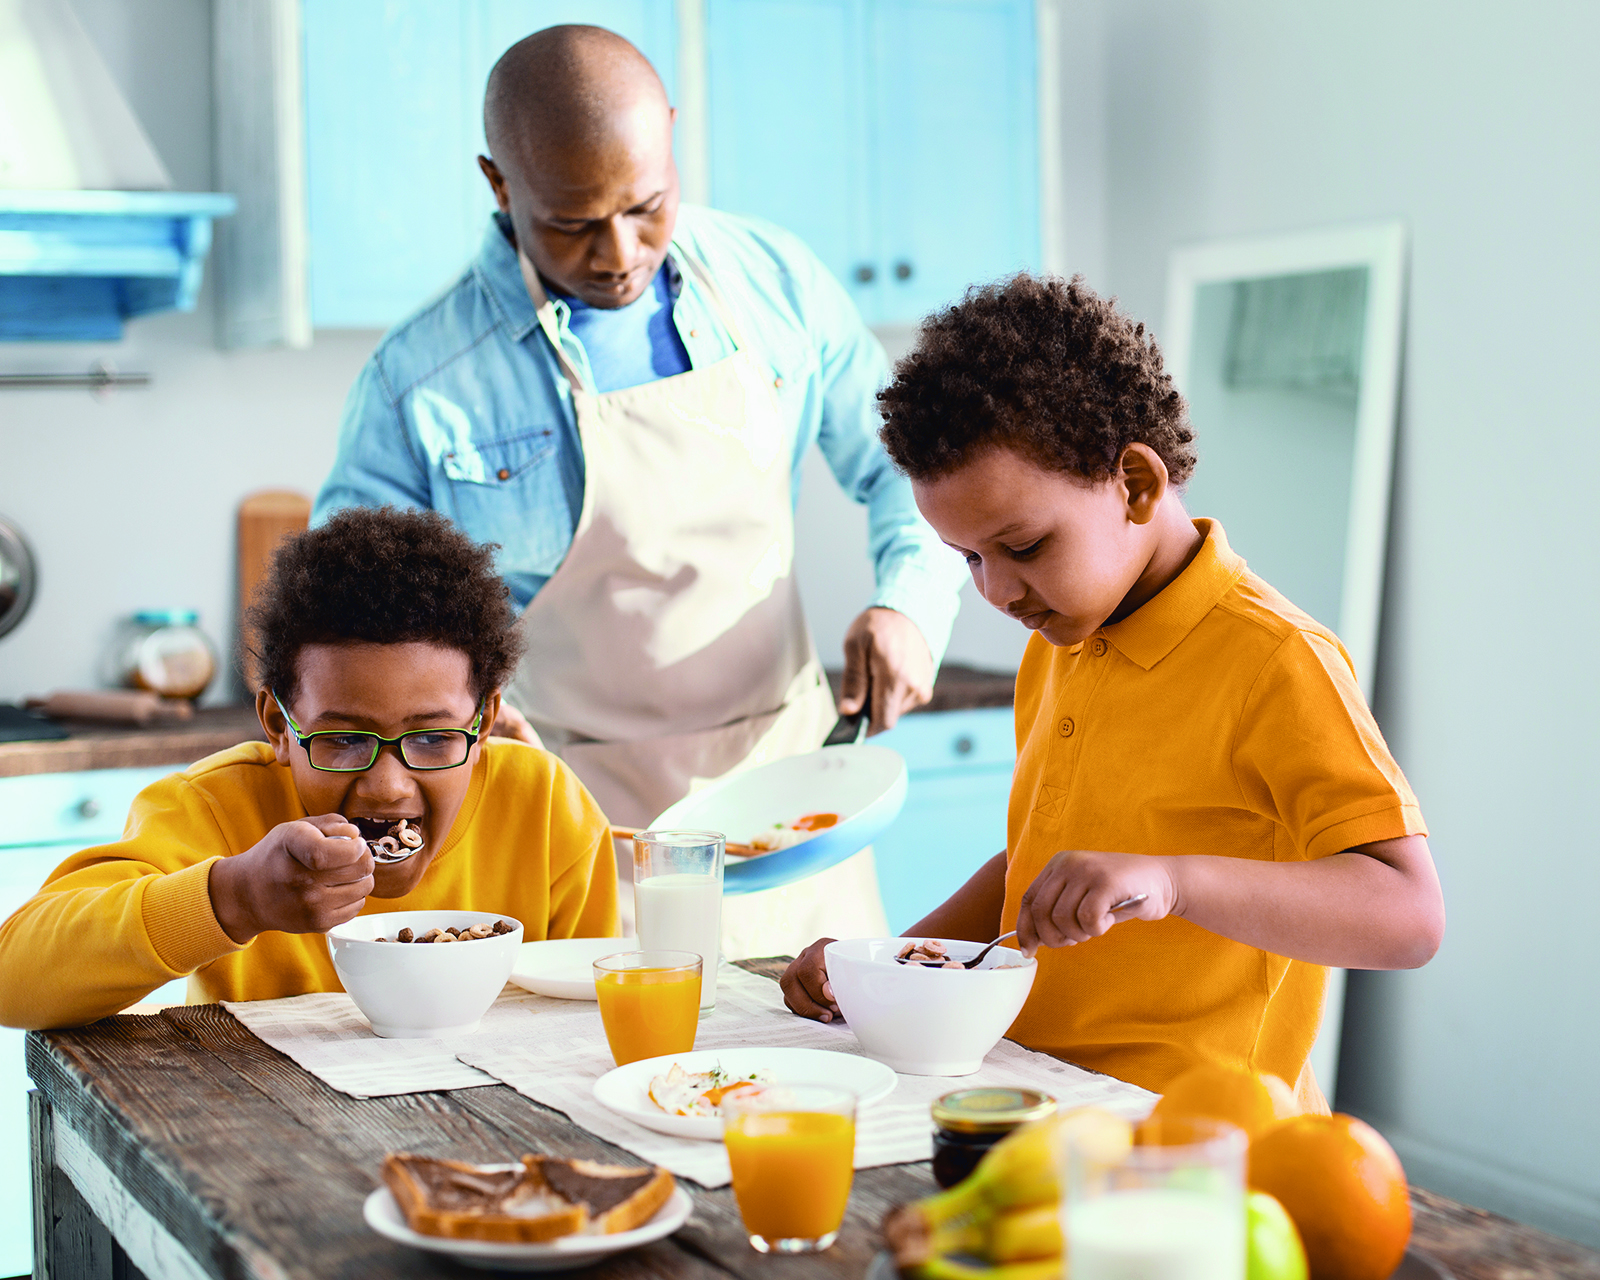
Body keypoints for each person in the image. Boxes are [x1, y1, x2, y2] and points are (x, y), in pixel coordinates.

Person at [313, 25, 965, 957]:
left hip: (793, 801)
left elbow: (914, 465)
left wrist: (907, 605)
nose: (618, 252)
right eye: (572, 223)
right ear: (499, 184)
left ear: (668, 135)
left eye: (647, 208)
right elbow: (349, 615)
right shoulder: (417, 378)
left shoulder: (777, 283)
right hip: (572, 819)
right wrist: (453, 717)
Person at [780, 276, 1445, 1109]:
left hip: (1189, 1126)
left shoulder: (1275, 661)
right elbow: (1033, 874)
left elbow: (1410, 915)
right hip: (1038, 1091)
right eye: (970, 559)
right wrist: (876, 969)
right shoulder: (1062, 639)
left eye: (1022, 544)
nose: (995, 591)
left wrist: (1173, 880)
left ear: (1133, 483)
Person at [0, 508, 617, 1029]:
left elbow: (588, 1019)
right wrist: (232, 899)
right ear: (276, 724)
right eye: (344, 739)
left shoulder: (544, 809)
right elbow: (14, 978)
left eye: (432, 737)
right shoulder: (211, 811)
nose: (387, 786)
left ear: (483, 723)